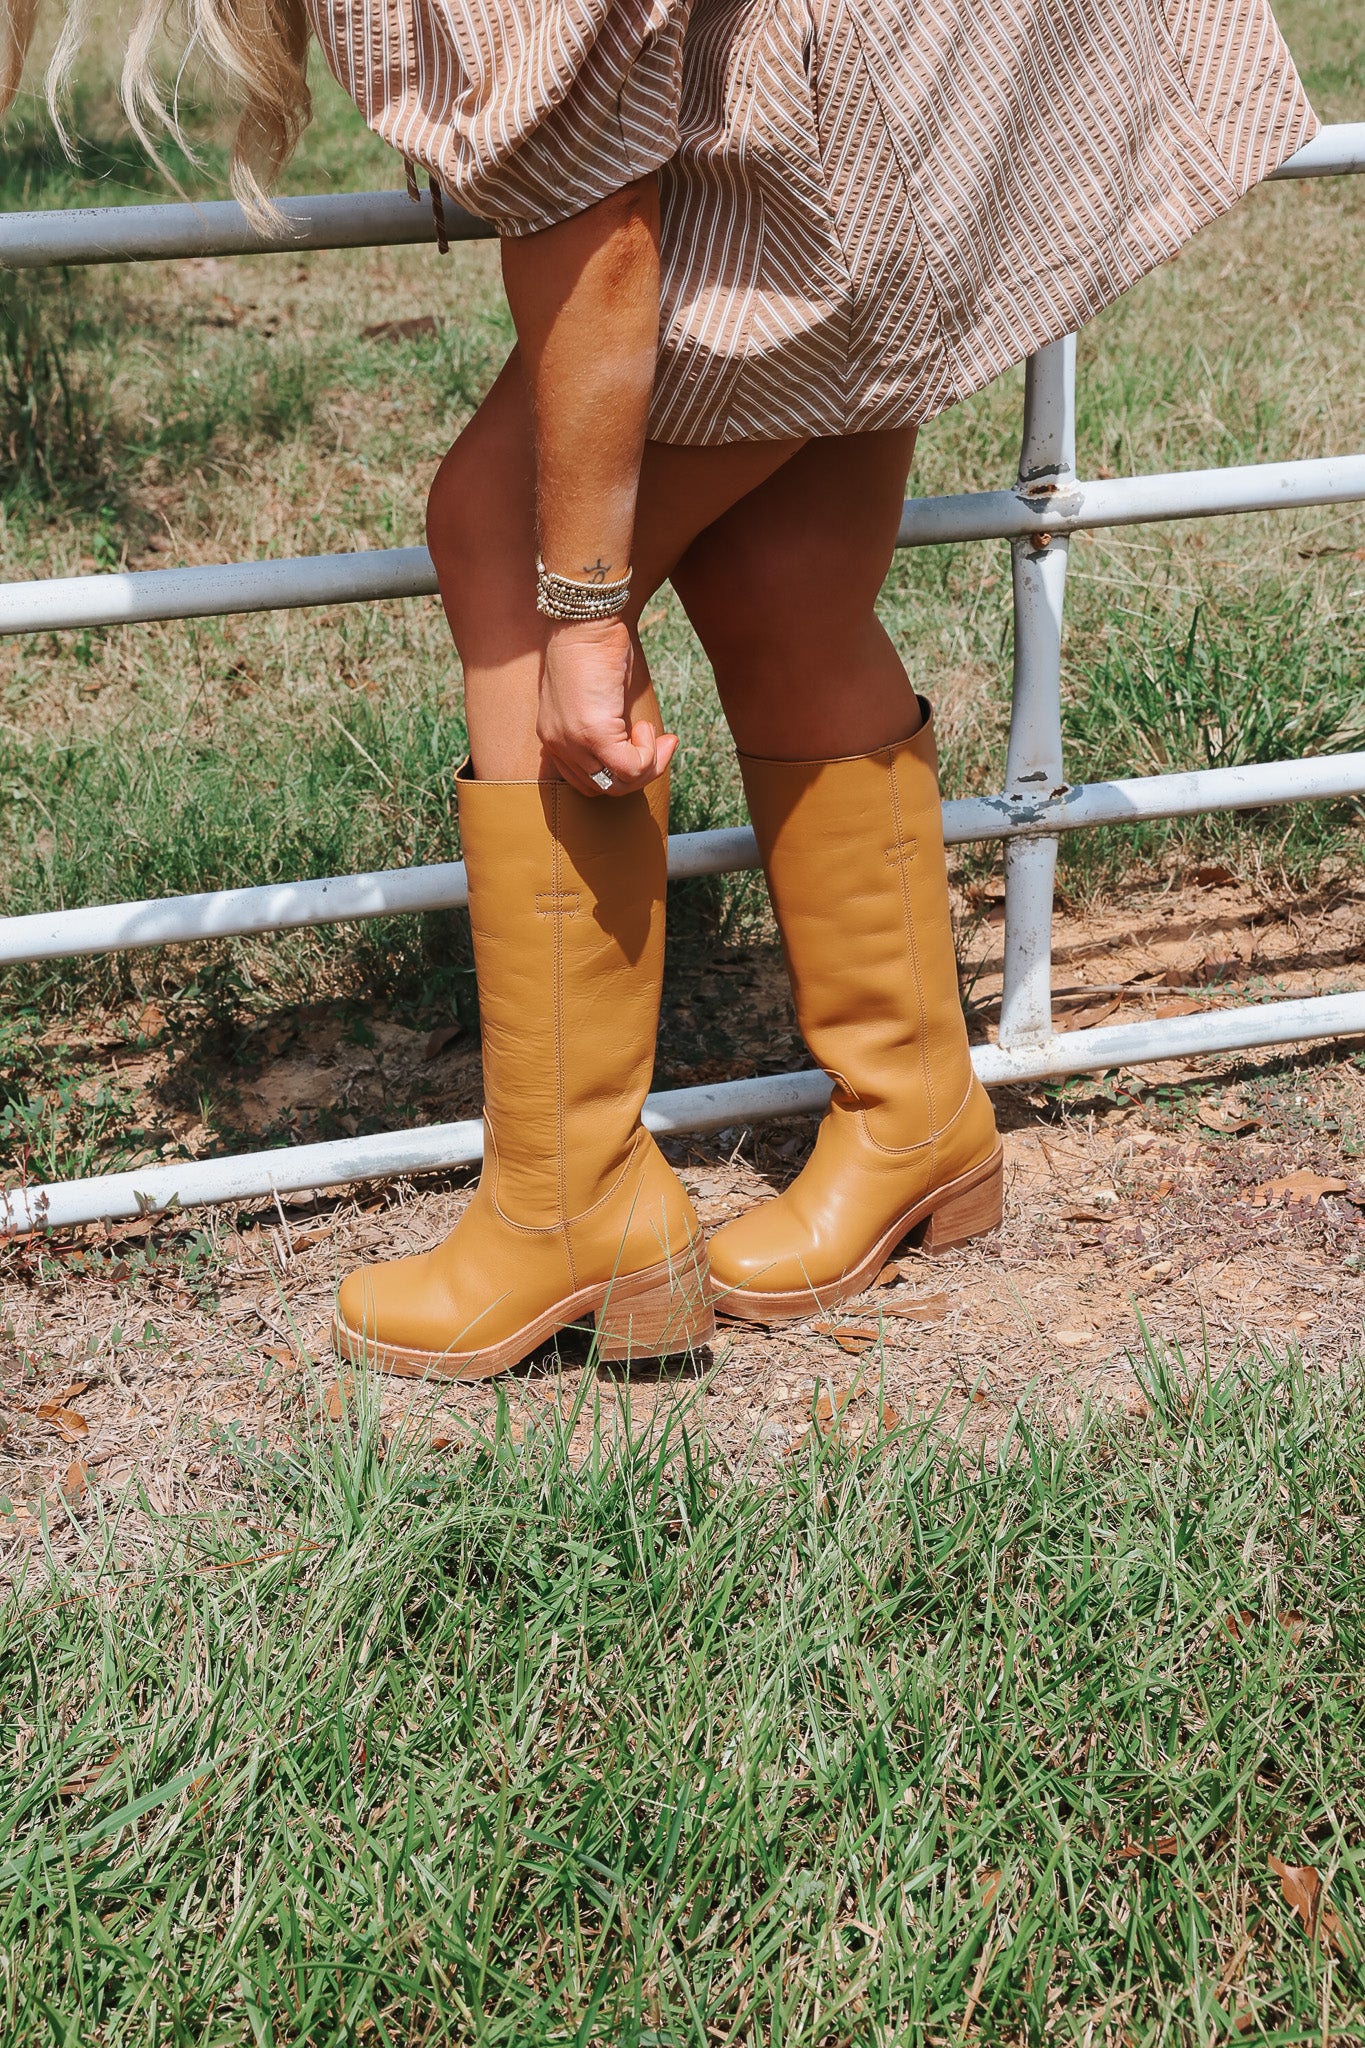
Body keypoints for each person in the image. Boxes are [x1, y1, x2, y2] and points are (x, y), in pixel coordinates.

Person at [4, 0, 1316, 1374]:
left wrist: (578, 614)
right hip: (899, 77)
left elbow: (599, 237)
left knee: (504, 543)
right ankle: (914, 1122)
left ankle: (572, 1211)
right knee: (780, 580)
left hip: (859, 108)